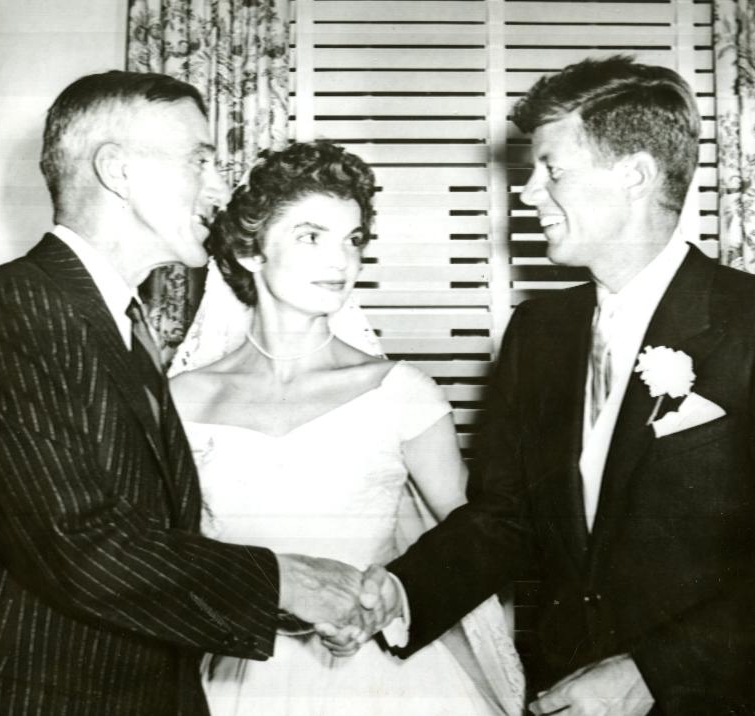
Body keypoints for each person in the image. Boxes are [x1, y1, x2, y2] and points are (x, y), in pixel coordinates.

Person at [351, 55, 755, 714]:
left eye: (552, 170)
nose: (527, 193)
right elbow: (504, 521)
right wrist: (400, 593)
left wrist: (652, 673)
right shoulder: (536, 334)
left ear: (636, 175)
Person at [0, 71, 377, 715]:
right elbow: (80, 546)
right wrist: (285, 581)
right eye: (200, 160)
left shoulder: (118, 325)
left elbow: (145, 540)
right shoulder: (14, 309)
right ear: (117, 171)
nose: (218, 186)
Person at [168, 140, 524, 716]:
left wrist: (386, 602)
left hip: (387, 683)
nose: (341, 262)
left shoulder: (401, 392)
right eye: (311, 236)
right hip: (240, 682)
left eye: (352, 240)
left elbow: (477, 541)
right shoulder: (183, 398)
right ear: (252, 251)